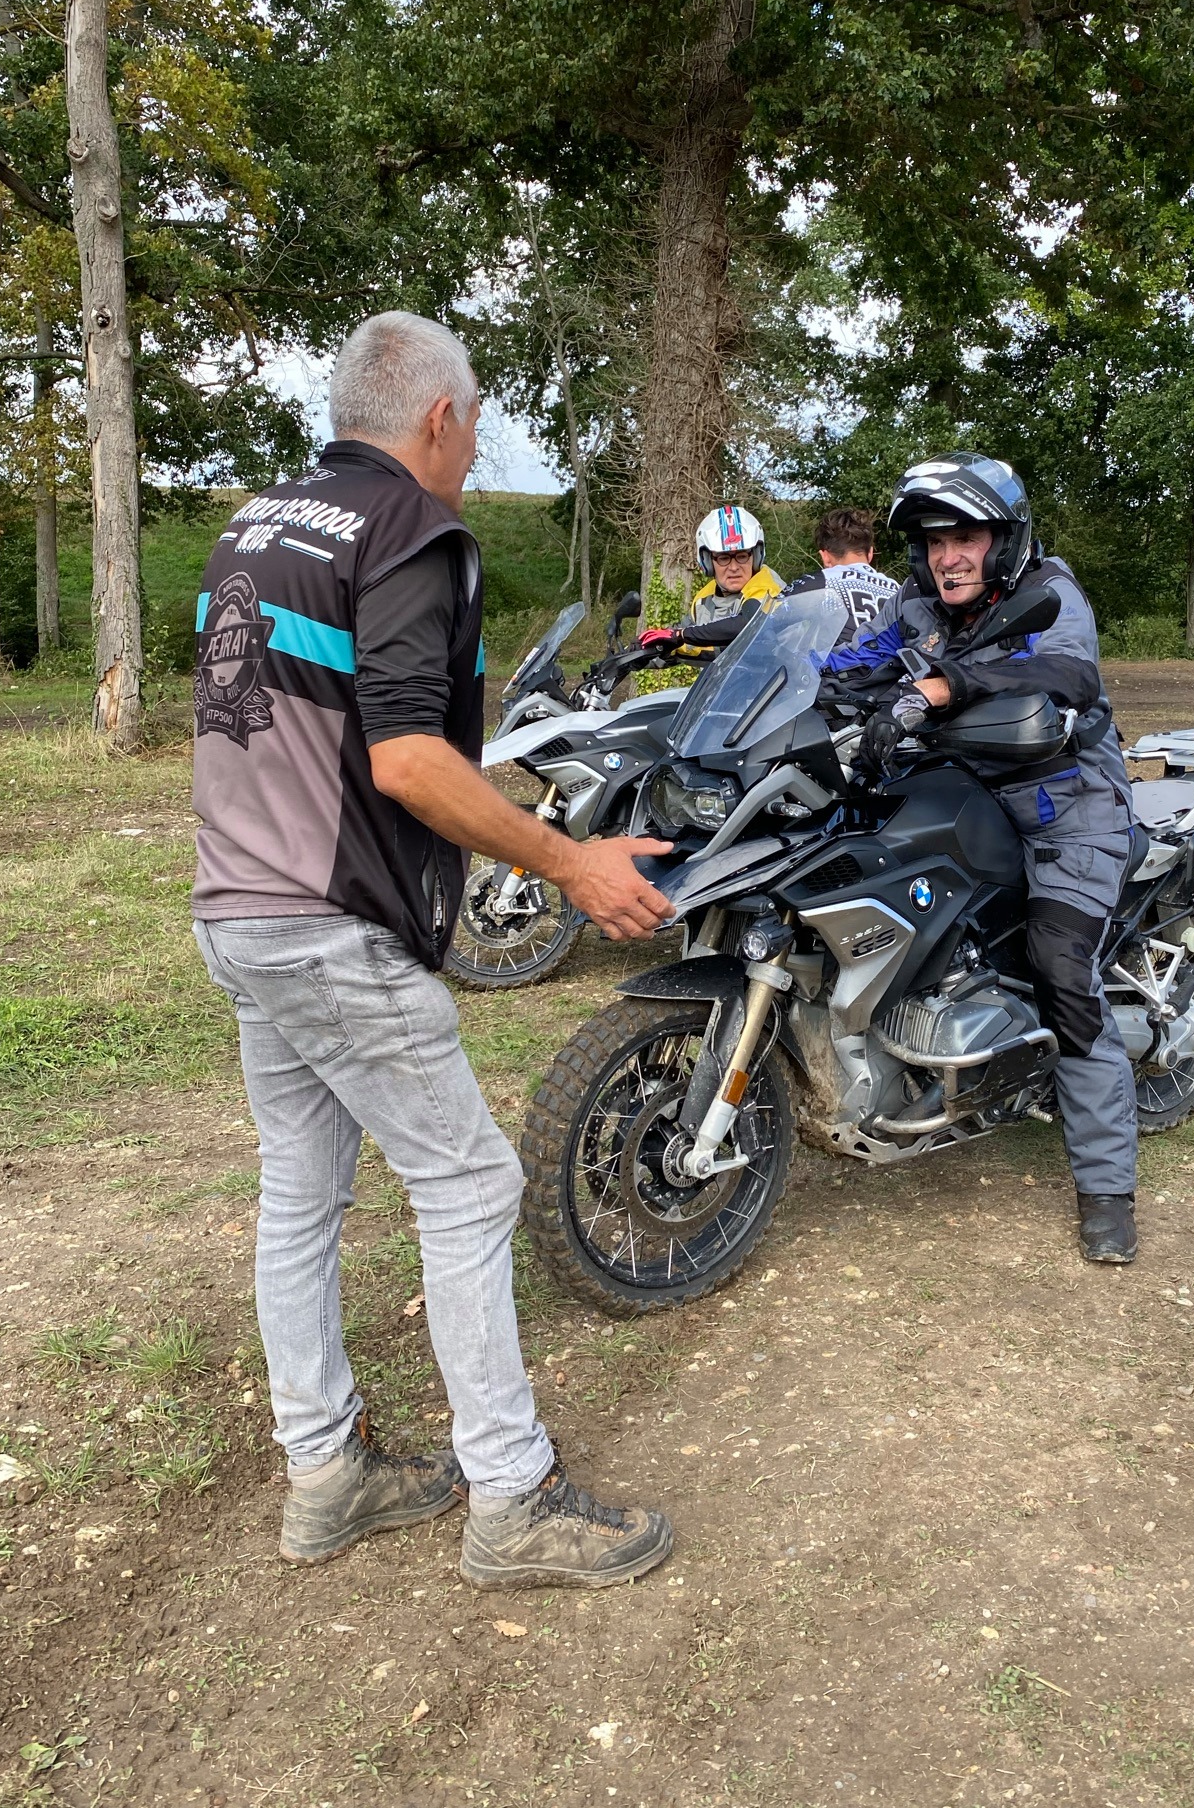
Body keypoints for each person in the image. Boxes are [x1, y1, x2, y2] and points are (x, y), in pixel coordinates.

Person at [190, 310, 678, 1584]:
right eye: (474, 428)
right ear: (441, 418)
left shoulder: (257, 524)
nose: (472, 454)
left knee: (300, 1192)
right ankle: (511, 1497)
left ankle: (326, 1471)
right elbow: (407, 757)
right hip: (334, 924)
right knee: (468, 1186)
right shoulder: (410, 528)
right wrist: (571, 862)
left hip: (235, 911)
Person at [828, 453, 1140, 1266]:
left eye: (964, 536)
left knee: (1060, 967)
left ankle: (1107, 1187)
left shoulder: (1050, 594)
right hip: (961, 789)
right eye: (933, 542)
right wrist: (801, 682)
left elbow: (1064, 670)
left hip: (1067, 811)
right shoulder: (918, 605)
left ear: (1004, 538)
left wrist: (939, 688)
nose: (946, 557)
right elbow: (852, 662)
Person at [804, 505, 899, 643]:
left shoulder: (823, 581)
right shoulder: (898, 589)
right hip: (894, 662)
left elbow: (770, 617)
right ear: (870, 553)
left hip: (843, 662)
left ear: (825, 557)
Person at [683, 505, 784, 628]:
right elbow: (683, 632)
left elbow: (743, 634)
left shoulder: (771, 594)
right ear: (708, 562)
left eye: (742, 557)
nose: (734, 567)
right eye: (724, 558)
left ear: (756, 557)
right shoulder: (704, 598)